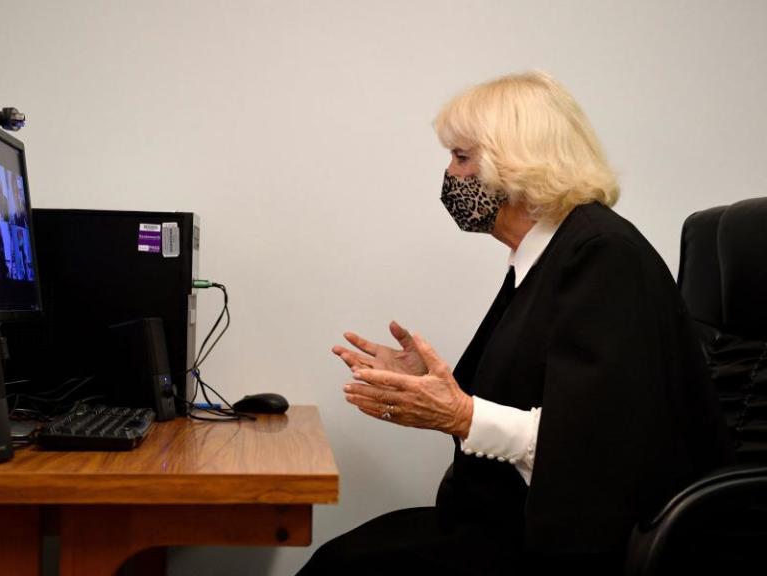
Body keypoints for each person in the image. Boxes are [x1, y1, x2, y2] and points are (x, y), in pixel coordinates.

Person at [298, 72, 730, 576]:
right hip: (501, 522)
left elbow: (597, 446)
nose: (449, 176)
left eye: (461, 157)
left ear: (516, 164)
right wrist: (429, 384)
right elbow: (533, 395)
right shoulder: (542, 256)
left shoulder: (603, 255)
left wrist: (458, 415)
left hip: (569, 547)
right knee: (339, 561)